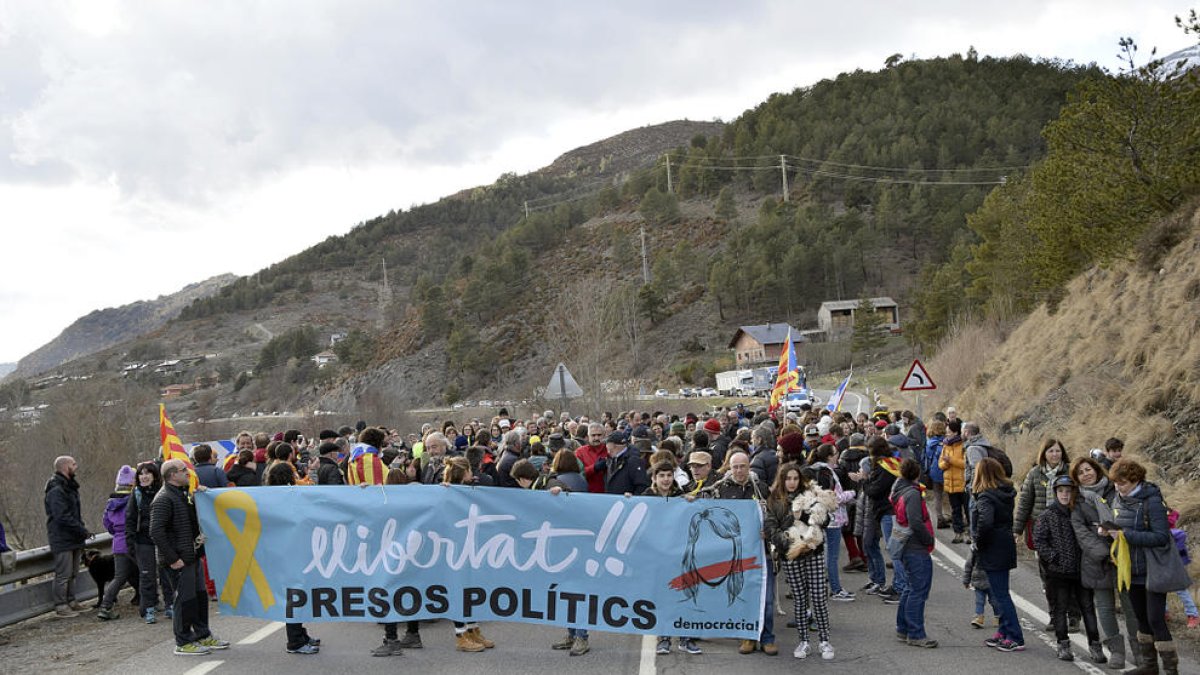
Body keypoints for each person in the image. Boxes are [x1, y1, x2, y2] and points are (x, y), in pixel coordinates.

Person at [1101, 458, 1179, 675]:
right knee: (1140, 617)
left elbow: (1161, 537)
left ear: (1136, 480)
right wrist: (1109, 533)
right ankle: (1150, 666)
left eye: (1123, 483)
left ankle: (1171, 670)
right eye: (1116, 483)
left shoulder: (1151, 500)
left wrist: (1125, 536)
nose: (1118, 487)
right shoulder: (1117, 498)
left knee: (1155, 618)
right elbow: (1121, 529)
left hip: (1153, 568)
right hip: (1130, 569)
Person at [150, 459, 230, 656]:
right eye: (183, 470)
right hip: (178, 560)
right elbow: (156, 532)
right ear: (172, 475)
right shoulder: (163, 499)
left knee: (199, 597)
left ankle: (202, 634)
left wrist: (199, 497)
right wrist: (172, 559)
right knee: (184, 600)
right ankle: (183, 641)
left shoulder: (183, 494)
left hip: (192, 555)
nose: (188, 472)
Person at [700, 451, 776, 655]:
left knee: (766, 599)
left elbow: (774, 515)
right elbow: (702, 507)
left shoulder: (760, 489)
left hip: (761, 554)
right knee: (743, 597)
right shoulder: (720, 489)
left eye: (743, 466)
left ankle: (767, 638)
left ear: (749, 466)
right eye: (735, 467)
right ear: (729, 468)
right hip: (735, 556)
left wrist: (767, 531)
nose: (739, 470)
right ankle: (748, 637)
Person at [764, 462, 836, 660]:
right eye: (788, 478)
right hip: (792, 554)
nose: (792, 482)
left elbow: (826, 520)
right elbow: (771, 528)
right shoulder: (775, 500)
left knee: (819, 597)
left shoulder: (811, 495)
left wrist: (804, 515)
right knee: (800, 599)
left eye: (795, 478)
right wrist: (787, 539)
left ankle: (824, 641)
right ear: (782, 479)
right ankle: (804, 641)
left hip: (813, 551)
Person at [1070, 455, 1131, 668]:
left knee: (1130, 606)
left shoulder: (1116, 490)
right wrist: (1105, 552)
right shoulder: (1077, 501)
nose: (1086, 474)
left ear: (1096, 469)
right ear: (1076, 478)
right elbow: (1082, 534)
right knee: (1105, 607)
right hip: (1098, 560)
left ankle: (1141, 651)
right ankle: (1117, 651)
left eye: (1088, 469)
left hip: (1124, 554)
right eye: (1081, 472)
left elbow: (1126, 518)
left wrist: (1119, 542)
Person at [1033, 476, 1103, 662]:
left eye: (1068, 490)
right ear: (1055, 492)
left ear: (1074, 492)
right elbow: (1039, 540)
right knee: (1060, 608)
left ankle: (1095, 646)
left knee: (1087, 608)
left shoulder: (1080, 512)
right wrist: (1053, 557)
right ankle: (1063, 644)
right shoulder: (1047, 514)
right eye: (1061, 491)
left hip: (1082, 570)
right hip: (1058, 572)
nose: (1064, 494)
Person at [1014, 439, 1076, 632]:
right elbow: (1025, 502)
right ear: (1044, 453)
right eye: (1051, 451)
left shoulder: (1070, 472)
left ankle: (1073, 616)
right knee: (1048, 577)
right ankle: (1055, 615)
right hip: (1042, 530)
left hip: (1067, 530)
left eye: (1058, 451)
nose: (1055, 455)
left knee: (1072, 574)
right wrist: (1017, 528)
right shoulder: (1035, 474)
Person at [440, 457, 496, 652]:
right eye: (470, 470)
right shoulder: (445, 491)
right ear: (463, 472)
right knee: (459, 590)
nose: (473, 473)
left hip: (472, 547)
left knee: (471, 590)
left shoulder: (472, 490)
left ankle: (473, 629)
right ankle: (460, 634)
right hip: (455, 549)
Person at [265, 462, 320, 655]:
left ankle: (300, 634)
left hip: (284, 552)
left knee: (297, 594)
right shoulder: (290, 497)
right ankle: (295, 641)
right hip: (290, 553)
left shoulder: (266, 497)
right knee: (294, 595)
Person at [971, 457, 1025, 652]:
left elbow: (985, 522)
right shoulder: (1005, 494)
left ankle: (1015, 636)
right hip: (1004, 544)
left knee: (1001, 594)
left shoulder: (986, 497)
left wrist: (978, 541)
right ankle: (1003, 631)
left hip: (993, 546)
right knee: (999, 591)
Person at [890, 458, 937, 648]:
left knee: (910, 588)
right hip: (915, 547)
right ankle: (916, 633)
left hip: (906, 546)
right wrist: (929, 539)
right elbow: (916, 522)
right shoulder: (913, 494)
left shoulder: (899, 490)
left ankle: (903, 628)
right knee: (918, 590)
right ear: (917, 474)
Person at [809, 444, 856, 602]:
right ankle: (835, 589)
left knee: (822, 556)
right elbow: (833, 498)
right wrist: (852, 493)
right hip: (832, 518)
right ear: (829, 456)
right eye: (835, 453)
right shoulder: (827, 473)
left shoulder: (814, 470)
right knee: (832, 557)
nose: (838, 455)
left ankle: (824, 588)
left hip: (821, 517)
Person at [126, 461, 171, 624]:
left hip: (162, 539)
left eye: (147, 473)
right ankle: (148, 608)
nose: (144, 477)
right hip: (143, 539)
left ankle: (170, 604)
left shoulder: (163, 492)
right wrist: (130, 542)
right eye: (141, 474)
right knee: (147, 575)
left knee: (166, 573)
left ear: (155, 475)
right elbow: (130, 519)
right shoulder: (136, 494)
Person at [45, 455, 88, 618]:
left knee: (73, 572)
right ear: (65, 467)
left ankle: (72, 601)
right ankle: (61, 605)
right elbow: (61, 516)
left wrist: (81, 529)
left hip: (74, 536)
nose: (76, 466)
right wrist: (80, 529)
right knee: (63, 573)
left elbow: (74, 513)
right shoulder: (56, 489)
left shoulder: (69, 487)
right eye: (73, 464)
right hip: (62, 537)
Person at [97, 465, 137, 620]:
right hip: (133, 542)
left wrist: (117, 533)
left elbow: (107, 523)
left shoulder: (111, 502)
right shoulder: (134, 499)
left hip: (118, 543)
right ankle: (154, 604)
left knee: (119, 577)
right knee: (147, 572)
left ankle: (105, 606)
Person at [938, 419, 969, 543]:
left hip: (962, 484)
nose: (947, 434)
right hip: (950, 484)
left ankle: (970, 534)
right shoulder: (945, 445)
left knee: (968, 510)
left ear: (956, 432)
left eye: (949, 432)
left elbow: (966, 464)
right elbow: (940, 464)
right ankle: (958, 533)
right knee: (955, 510)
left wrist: (951, 460)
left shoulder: (963, 445)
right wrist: (946, 462)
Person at [604, 432, 649, 496]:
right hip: (613, 502)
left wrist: (633, 499)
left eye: (607, 444)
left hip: (627, 503)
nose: (606, 447)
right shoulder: (612, 459)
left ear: (613, 445)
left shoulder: (634, 461)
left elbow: (642, 485)